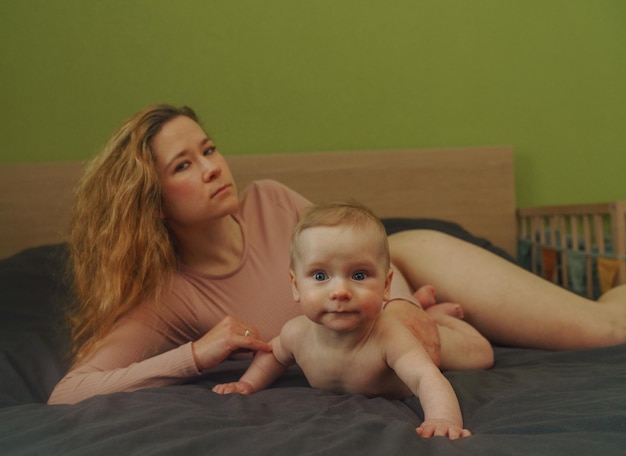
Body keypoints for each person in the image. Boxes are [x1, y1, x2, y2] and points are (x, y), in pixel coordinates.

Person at [48, 104, 626, 405]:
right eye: (183, 165)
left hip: (404, 258)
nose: (212, 168)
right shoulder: (169, 295)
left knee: (605, 328)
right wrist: (197, 353)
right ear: (147, 198)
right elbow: (69, 392)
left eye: (209, 148)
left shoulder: (274, 200)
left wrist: (404, 309)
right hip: (400, 314)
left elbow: (354, 256)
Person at [213, 201, 493, 439]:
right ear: (296, 285)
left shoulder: (390, 337)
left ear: (386, 286)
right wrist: (248, 384)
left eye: (359, 275)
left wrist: (443, 419)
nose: (340, 292)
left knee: (482, 354)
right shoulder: (295, 334)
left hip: (424, 340)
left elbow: (425, 378)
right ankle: (426, 306)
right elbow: (273, 356)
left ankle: (440, 319)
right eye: (320, 276)